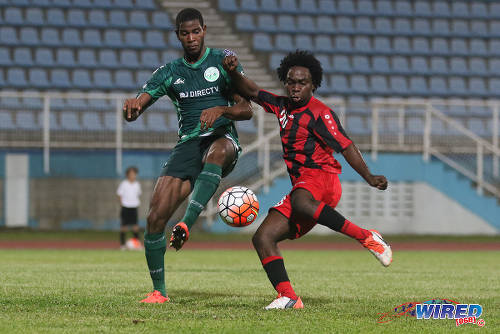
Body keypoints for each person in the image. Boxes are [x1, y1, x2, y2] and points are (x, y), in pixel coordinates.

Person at [216, 50, 393, 309]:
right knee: (263, 237)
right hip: (302, 186)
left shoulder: (321, 113)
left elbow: (346, 146)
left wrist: (368, 176)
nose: (295, 87)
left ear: (313, 86)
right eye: (291, 81)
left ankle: (366, 237)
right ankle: (288, 296)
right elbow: (252, 91)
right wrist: (232, 72)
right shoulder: (281, 106)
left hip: (323, 179)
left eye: (302, 83)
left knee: (300, 200)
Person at [122, 8, 252, 303]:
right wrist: (130, 109)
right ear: (177, 35)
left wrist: (221, 110)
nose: (191, 38)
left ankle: (187, 223)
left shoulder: (224, 61)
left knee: (217, 151)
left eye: (196, 32)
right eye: (185, 33)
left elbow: (246, 110)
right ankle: (159, 292)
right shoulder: (169, 73)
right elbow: (138, 107)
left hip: (222, 140)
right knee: (155, 218)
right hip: (188, 145)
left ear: (204, 30)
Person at [117, 166, 142, 250]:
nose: (132, 175)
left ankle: (137, 244)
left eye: (134, 174)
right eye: (130, 174)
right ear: (127, 175)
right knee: (124, 227)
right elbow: (119, 194)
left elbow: (138, 194)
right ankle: (122, 245)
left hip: (134, 207)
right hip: (125, 207)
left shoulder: (137, 184)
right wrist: (122, 204)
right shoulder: (124, 184)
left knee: (135, 227)